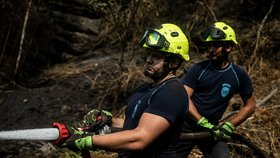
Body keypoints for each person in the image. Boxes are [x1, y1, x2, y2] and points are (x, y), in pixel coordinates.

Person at [63, 23, 190, 158]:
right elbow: (134, 124)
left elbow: (140, 138)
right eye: (148, 54)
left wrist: (90, 141)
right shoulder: (144, 90)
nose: (148, 60)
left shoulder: (172, 93)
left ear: (174, 61)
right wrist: (108, 120)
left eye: (156, 56)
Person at [176, 22, 256, 158]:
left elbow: (250, 105)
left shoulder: (238, 75)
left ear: (228, 47)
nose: (211, 50)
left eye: (216, 46)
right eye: (210, 46)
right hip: (186, 125)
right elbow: (184, 97)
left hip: (213, 129)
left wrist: (229, 125)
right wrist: (201, 120)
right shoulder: (198, 69)